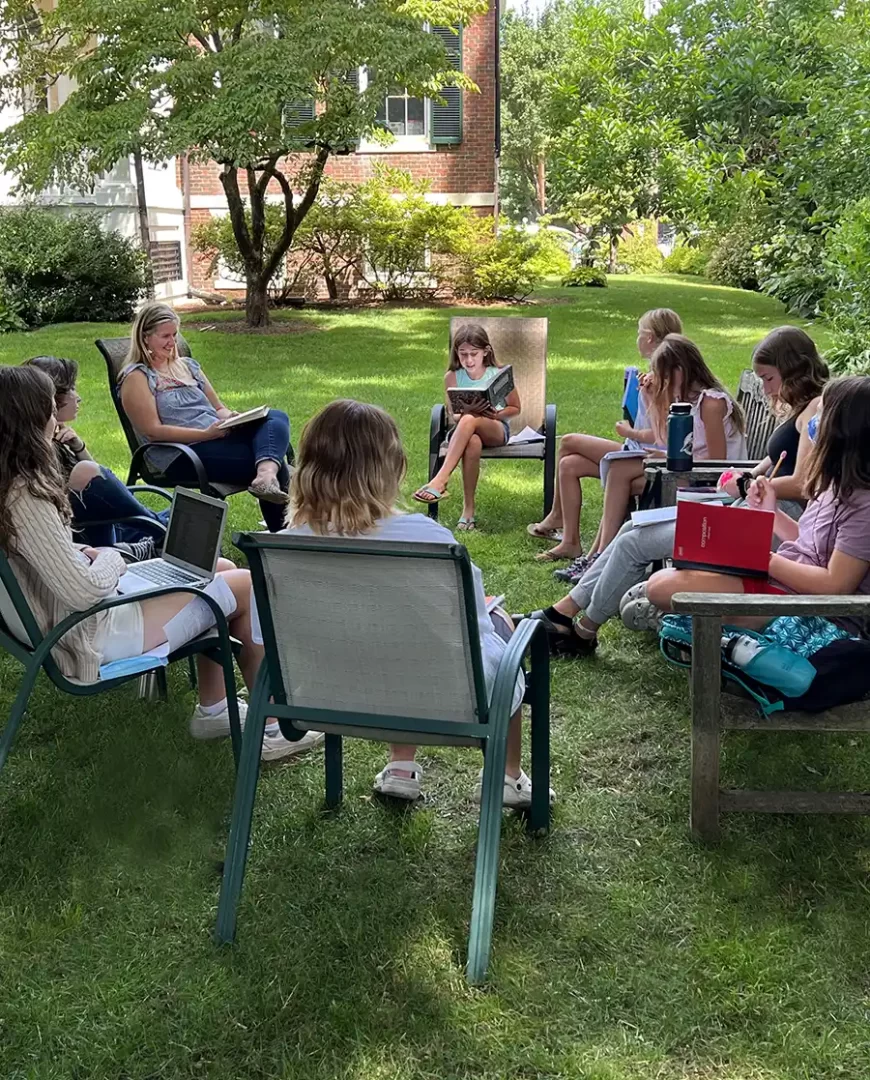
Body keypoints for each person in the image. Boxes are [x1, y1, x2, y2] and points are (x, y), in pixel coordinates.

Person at [0, 365, 320, 762]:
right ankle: (274, 731)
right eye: (49, 409)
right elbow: (83, 591)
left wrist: (80, 554)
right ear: (29, 420)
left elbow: (49, 563)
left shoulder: (9, 485)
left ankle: (215, 710)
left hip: (59, 621)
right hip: (84, 634)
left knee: (215, 568)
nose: (54, 418)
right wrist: (113, 559)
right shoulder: (26, 496)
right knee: (246, 585)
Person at [281, 398, 551, 806]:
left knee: (381, 637)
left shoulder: (280, 550)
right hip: (444, 700)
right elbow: (471, 627)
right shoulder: (425, 538)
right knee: (501, 628)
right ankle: (507, 778)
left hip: (323, 697)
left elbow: (265, 635)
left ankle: (401, 767)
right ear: (390, 468)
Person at [524, 326, 825, 655]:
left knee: (636, 542)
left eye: (769, 378)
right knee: (633, 528)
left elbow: (804, 483)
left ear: (793, 368)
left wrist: (750, 484)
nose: (767, 389)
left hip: (774, 524)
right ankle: (565, 613)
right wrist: (743, 476)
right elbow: (769, 463)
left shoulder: (817, 409)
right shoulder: (802, 407)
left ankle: (581, 630)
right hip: (748, 509)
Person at [645, 374, 870, 635]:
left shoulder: (863, 506)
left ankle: (713, 623)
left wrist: (763, 560)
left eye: (820, 416)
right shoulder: (835, 483)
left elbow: (834, 586)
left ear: (841, 432)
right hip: (785, 584)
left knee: (661, 587)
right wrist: (770, 512)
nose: (813, 424)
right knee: (666, 580)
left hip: (810, 608)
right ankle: (704, 620)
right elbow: (810, 543)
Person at [118, 302, 292, 532]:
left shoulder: (188, 367)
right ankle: (282, 535)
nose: (172, 342)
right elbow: (153, 430)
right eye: (165, 336)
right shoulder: (137, 377)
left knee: (275, 417)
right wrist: (205, 434)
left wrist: (234, 417)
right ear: (145, 337)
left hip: (217, 437)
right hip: (180, 453)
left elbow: (218, 408)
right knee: (274, 461)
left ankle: (266, 478)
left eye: (175, 334)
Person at [529, 308, 683, 563]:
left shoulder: (667, 377)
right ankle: (570, 542)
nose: (636, 338)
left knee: (568, 442)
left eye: (639, 333)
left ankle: (557, 517)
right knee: (568, 464)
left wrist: (629, 430)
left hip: (647, 454)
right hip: (635, 448)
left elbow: (661, 434)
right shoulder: (655, 373)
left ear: (651, 338)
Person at [23, 355, 168, 555]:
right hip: (81, 534)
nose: (78, 396)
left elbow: (100, 487)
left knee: (180, 515)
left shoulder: (59, 437)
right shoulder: (31, 446)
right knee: (86, 471)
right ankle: (162, 533)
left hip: (105, 524)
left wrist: (79, 448)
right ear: (51, 398)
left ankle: (156, 535)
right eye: (71, 389)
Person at [412, 324, 521, 531]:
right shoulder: (452, 377)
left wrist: (495, 413)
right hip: (466, 431)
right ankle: (468, 512)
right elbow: (454, 414)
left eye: (474, 354)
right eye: (463, 354)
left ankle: (440, 479)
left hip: (496, 428)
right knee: (472, 439)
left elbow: (516, 408)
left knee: (470, 418)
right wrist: (467, 411)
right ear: (456, 353)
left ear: (486, 351)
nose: (469, 360)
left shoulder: (498, 374)